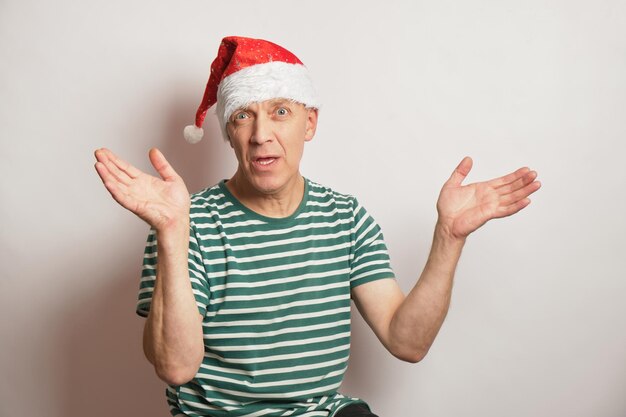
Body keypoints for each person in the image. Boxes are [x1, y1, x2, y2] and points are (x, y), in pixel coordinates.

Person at [94, 36, 541, 417]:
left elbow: (407, 342)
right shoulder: (184, 223)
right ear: (228, 134)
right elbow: (175, 368)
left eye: (280, 112)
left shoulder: (346, 218)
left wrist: (449, 236)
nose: (261, 134)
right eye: (243, 116)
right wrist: (173, 232)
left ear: (310, 123)